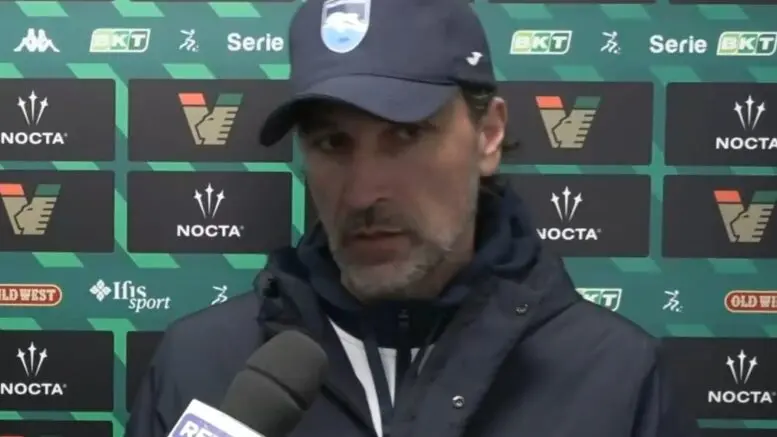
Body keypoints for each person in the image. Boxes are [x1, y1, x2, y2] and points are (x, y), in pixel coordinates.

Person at [126, 0, 700, 436]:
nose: (362, 192)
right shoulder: (200, 367)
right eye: (332, 143)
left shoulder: (618, 379)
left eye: (405, 135)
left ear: (488, 134)